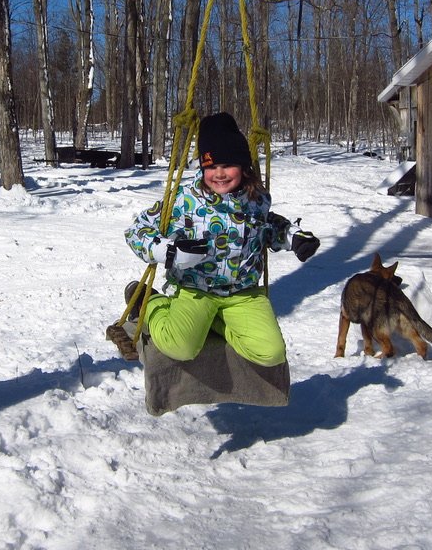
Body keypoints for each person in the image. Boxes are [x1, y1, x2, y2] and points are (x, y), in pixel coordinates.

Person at [124, 112, 320, 367]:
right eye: (211, 166)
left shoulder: (256, 200)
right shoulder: (184, 200)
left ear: (242, 165)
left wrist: (292, 236)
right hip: (195, 289)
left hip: (242, 293)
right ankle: (149, 303)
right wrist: (167, 251)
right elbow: (137, 230)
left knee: (270, 353)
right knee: (181, 346)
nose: (219, 174)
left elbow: (268, 226)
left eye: (227, 165)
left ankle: (214, 321)